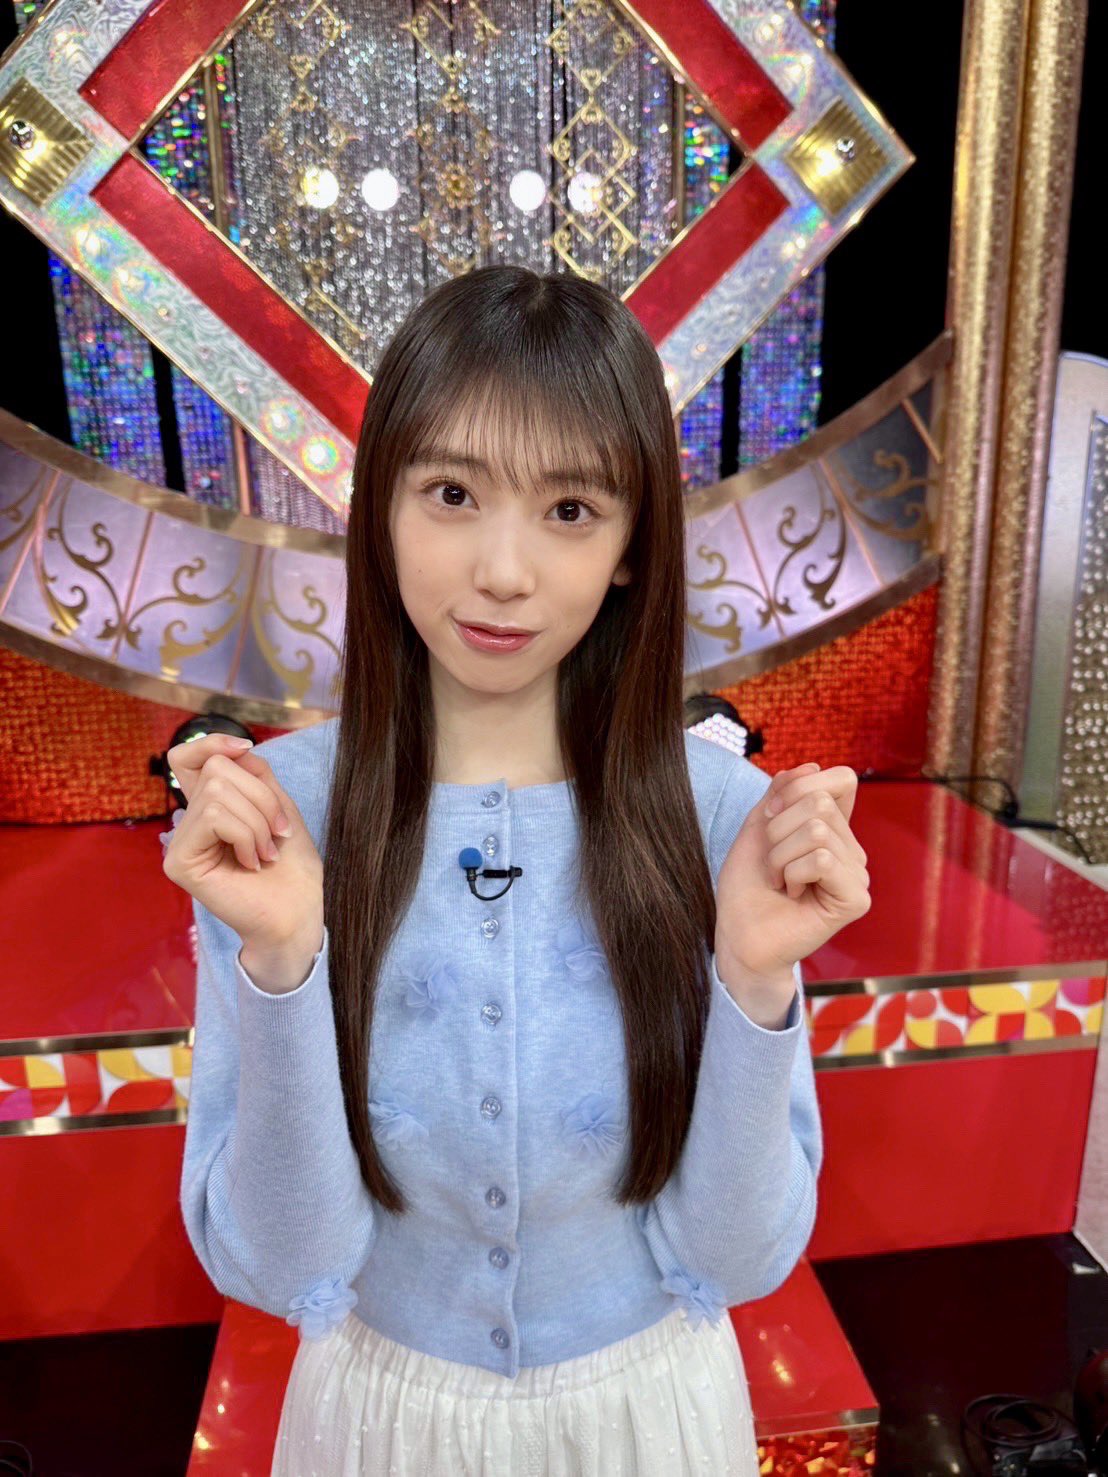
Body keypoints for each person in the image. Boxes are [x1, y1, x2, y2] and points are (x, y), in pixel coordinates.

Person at [162, 264, 870, 1476]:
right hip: (381, 1422)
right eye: (451, 493)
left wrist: (754, 977)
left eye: (570, 509)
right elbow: (283, 1269)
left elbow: (735, 1260)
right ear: (381, 508)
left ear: (633, 545)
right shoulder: (279, 814)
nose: (502, 570)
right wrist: (282, 959)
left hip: (648, 1420)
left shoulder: (719, 814)